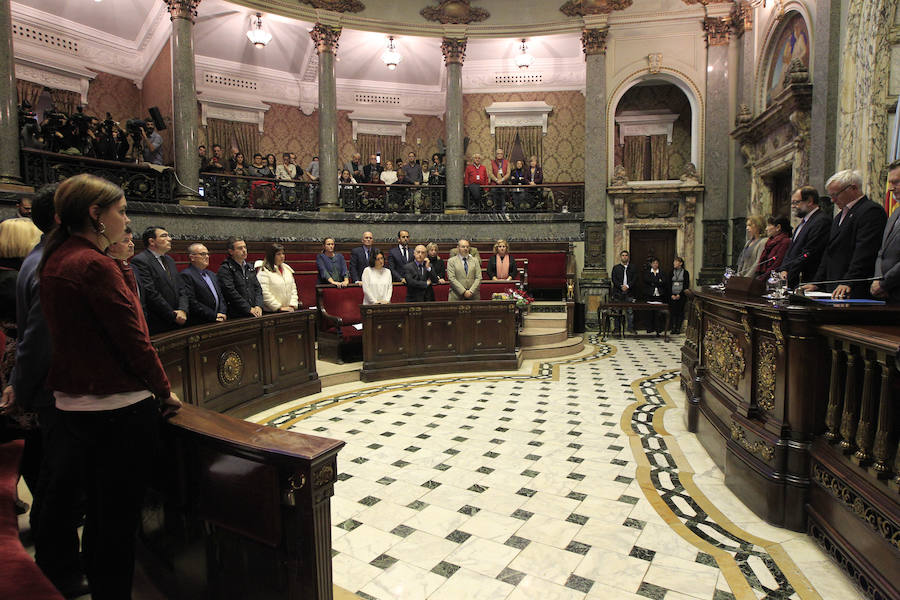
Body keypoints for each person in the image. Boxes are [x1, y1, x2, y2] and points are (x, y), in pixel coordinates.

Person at [37, 173, 181, 599]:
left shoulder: (58, 256)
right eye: (121, 211)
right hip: (117, 410)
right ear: (96, 215)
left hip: (75, 407)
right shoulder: (93, 265)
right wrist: (164, 390)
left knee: (98, 516)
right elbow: (133, 340)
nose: (126, 218)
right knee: (114, 521)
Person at [2, 186, 89, 597]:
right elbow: (39, 340)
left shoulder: (42, 257)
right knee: (58, 487)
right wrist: (20, 386)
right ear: (61, 217)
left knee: (55, 483)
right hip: (52, 394)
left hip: (46, 390)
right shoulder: (48, 265)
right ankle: (61, 571)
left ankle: (61, 564)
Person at [803, 169, 887, 299]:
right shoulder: (839, 217)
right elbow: (829, 251)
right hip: (834, 285)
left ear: (853, 188)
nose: (832, 200)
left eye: (835, 195)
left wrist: (849, 280)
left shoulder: (870, 211)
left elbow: (864, 251)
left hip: (852, 288)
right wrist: (817, 282)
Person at [130, 226, 189, 334]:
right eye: (164, 236)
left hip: (179, 318)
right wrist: (172, 315)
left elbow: (181, 288)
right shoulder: (141, 261)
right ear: (152, 241)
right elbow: (150, 292)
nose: (170, 239)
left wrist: (183, 309)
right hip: (159, 321)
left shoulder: (169, 260)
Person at [779, 186, 831, 288]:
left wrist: (790, 272)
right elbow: (791, 250)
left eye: (796, 202)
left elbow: (809, 252)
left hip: (809, 280)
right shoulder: (802, 223)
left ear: (810, 201)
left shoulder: (821, 221)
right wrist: (783, 269)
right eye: (792, 203)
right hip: (794, 279)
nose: (793, 206)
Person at [872, 160, 900, 303]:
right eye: (890, 183)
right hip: (888, 296)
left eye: (896, 183)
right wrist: (877, 279)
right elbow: (882, 252)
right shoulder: (895, 214)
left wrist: (884, 283)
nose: (891, 188)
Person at [179, 243, 227, 325]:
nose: (207, 257)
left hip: (219, 319)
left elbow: (221, 296)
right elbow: (192, 301)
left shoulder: (211, 274)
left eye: (207, 254)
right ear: (192, 257)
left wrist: (222, 312)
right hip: (201, 322)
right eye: (203, 254)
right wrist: (214, 315)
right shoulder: (186, 275)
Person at [217, 236, 264, 318]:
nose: (244, 250)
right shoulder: (225, 268)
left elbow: (257, 288)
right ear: (231, 251)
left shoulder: (249, 267)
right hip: (237, 314)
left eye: (245, 247)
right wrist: (248, 308)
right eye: (240, 248)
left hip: (254, 311)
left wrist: (258, 305)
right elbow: (230, 292)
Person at [257, 243, 299, 312]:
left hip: (288, 309)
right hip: (272, 312)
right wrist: (279, 307)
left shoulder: (287, 270)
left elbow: (293, 290)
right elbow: (264, 293)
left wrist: (292, 304)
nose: (282, 256)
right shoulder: (264, 271)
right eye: (278, 254)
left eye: (283, 253)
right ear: (272, 256)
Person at [754, 216, 792, 281]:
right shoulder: (770, 242)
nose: (766, 229)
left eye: (768, 225)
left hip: (772, 279)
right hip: (763, 277)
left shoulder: (785, 242)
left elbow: (777, 264)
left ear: (778, 227)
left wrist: (762, 278)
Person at [610, 250, 636, 333]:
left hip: (629, 292)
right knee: (617, 311)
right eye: (623, 255)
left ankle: (630, 328)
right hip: (618, 292)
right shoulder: (616, 268)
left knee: (630, 311)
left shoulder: (633, 267)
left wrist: (627, 286)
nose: (624, 257)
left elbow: (635, 279)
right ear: (620, 257)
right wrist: (621, 286)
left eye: (626, 255)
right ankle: (617, 328)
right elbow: (614, 279)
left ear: (628, 257)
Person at [642, 257, 668, 336]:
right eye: (653, 263)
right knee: (649, 312)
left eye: (656, 263)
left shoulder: (662, 272)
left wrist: (654, 282)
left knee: (658, 313)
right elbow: (647, 280)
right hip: (650, 294)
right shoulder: (647, 272)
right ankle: (649, 328)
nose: (655, 264)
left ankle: (658, 328)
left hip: (659, 295)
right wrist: (657, 281)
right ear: (651, 264)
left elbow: (663, 281)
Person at [668, 256, 690, 335]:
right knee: (673, 311)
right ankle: (673, 327)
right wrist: (671, 294)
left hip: (681, 296)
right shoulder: (671, 272)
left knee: (680, 312)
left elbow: (686, 285)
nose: (674, 263)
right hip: (672, 295)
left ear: (680, 263)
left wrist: (679, 295)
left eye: (676, 261)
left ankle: (678, 328)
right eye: (674, 262)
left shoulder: (685, 273)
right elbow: (669, 284)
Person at [489, 148, 511, 212]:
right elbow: (490, 173)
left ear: (503, 154)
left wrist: (502, 179)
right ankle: (495, 210)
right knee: (494, 194)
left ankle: (503, 211)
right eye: (498, 153)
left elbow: (508, 173)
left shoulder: (507, 162)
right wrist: (496, 180)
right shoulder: (492, 162)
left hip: (503, 184)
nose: (499, 155)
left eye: (501, 153)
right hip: (494, 184)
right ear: (496, 154)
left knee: (503, 194)